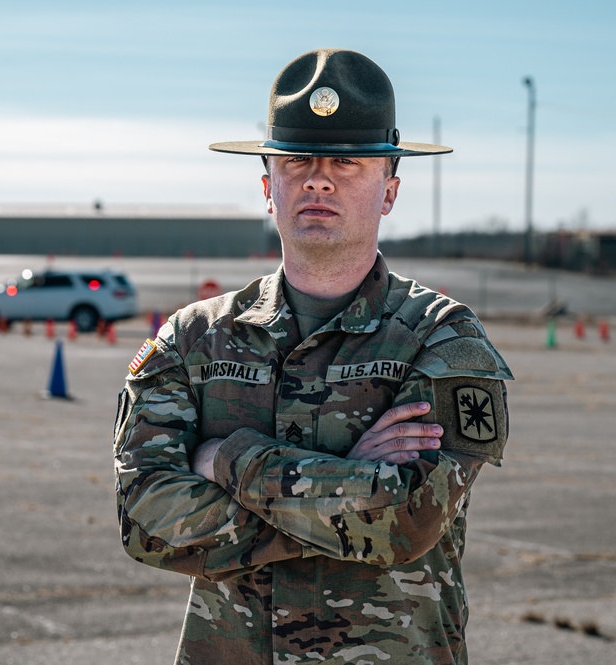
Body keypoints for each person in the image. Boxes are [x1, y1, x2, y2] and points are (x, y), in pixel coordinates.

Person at [114, 48, 513, 665]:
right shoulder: (194, 339)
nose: (319, 179)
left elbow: (406, 519)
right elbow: (145, 520)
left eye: (348, 162)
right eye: (298, 159)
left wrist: (228, 460)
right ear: (268, 185)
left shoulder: (442, 340)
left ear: (390, 191)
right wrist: (349, 485)